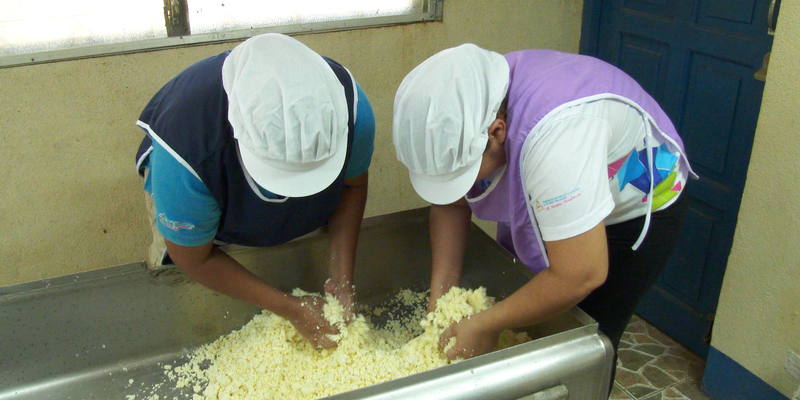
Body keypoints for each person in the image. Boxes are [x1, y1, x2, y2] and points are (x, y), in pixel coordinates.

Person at [392, 44, 696, 381]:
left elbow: (580, 273)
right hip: (563, 178)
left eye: (462, 177)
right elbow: (450, 204)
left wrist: (486, 324)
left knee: (583, 348)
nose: (461, 189)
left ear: (496, 132)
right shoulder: (469, 105)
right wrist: (440, 300)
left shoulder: (556, 140)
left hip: (635, 203)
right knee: (530, 306)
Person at [134, 33, 375, 349]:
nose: (294, 195)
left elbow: (351, 187)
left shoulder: (352, 113)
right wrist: (290, 308)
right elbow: (194, 259)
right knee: (194, 308)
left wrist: (341, 283)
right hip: (201, 215)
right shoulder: (186, 153)